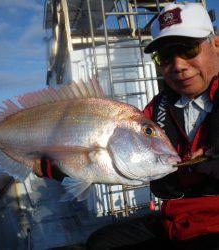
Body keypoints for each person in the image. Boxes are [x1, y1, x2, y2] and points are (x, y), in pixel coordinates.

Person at [34, 3, 219, 249]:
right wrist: (51, 166)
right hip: (174, 219)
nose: (178, 65)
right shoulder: (156, 109)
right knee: (99, 243)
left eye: (188, 49)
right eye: (165, 57)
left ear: (216, 45)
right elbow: (119, 153)